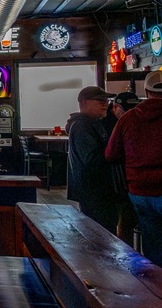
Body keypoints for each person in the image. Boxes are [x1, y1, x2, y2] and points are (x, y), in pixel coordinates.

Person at [106, 71, 162, 265]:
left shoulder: (127, 119)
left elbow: (110, 154)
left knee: (152, 240)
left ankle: (156, 286)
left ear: (146, 92)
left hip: (140, 189)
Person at [65, 86, 117, 233]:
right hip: (94, 190)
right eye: (100, 100)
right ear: (84, 102)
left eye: (107, 100)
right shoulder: (83, 125)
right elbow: (91, 158)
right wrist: (116, 152)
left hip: (93, 190)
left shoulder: (90, 123)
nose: (105, 103)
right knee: (101, 234)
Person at [100, 92, 140, 244]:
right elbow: (110, 154)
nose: (129, 114)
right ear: (115, 107)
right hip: (117, 182)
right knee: (124, 221)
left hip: (132, 179)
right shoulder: (104, 123)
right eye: (125, 111)